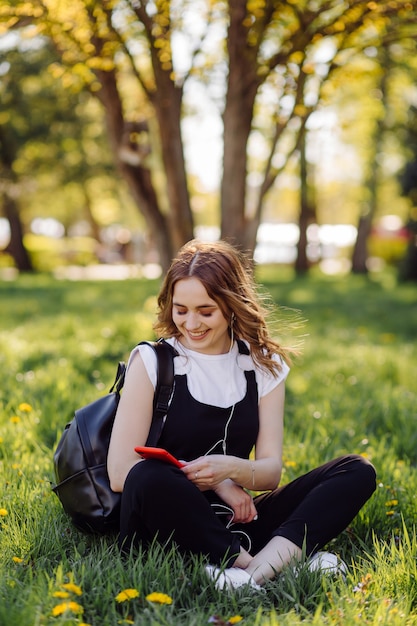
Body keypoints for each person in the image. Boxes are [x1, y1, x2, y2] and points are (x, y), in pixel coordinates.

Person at [107, 239, 376, 590]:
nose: (191, 324)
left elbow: (268, 473)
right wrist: (217, 482)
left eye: (206, 311)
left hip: (236, 519)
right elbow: (119, 474)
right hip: (163, 520)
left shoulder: (263, 365)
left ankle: (255, 569)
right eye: (181, 309)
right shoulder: (153, 361)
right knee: (147, 476)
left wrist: (233, 470)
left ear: (232, 304)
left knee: (356, 471)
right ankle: (264, 566)